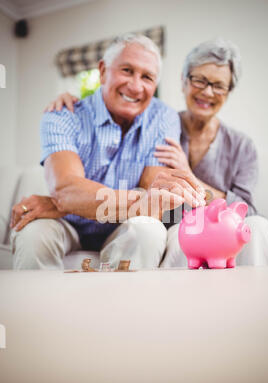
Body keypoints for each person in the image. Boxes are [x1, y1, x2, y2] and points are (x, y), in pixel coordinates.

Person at [49, 38, 268, 267]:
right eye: (199, 80)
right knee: (179, 238)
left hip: (223, 230)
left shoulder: (241, 146)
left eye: (218, 85)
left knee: (259, 226)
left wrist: (190, 178)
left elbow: (247, 210)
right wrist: (79, 103)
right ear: (183, 80)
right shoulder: (160, 125)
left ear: (228, 91)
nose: (207, 92)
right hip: (172, 225)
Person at [10, 33, 205, 270]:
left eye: (147, 77)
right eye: (126, 70)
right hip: (67, 223)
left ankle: (120, 307)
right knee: (33, 233)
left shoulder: (163, 117)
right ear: (103, 71)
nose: (135, 86)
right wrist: (67, 199)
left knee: (149, 229)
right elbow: (67, 187)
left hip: (122, 226)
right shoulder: (62, 114)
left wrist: (64, 201)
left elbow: (154, 196)